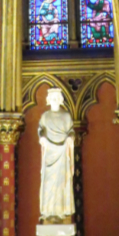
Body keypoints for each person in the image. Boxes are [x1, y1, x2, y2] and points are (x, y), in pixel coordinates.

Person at [38, 88, 75, 222]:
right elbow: (40, 129)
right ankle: (48, 212)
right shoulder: (45, 116)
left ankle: (60, 212)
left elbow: (71, 131)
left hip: (62, 152)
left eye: (56, 98)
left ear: (60, 100)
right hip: (49, 154)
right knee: (48, 183)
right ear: (48, 100)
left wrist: (70, 137)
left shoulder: (66, 116)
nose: (54, 101)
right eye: (52, 98)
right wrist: (41, 137)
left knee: (61, 183)